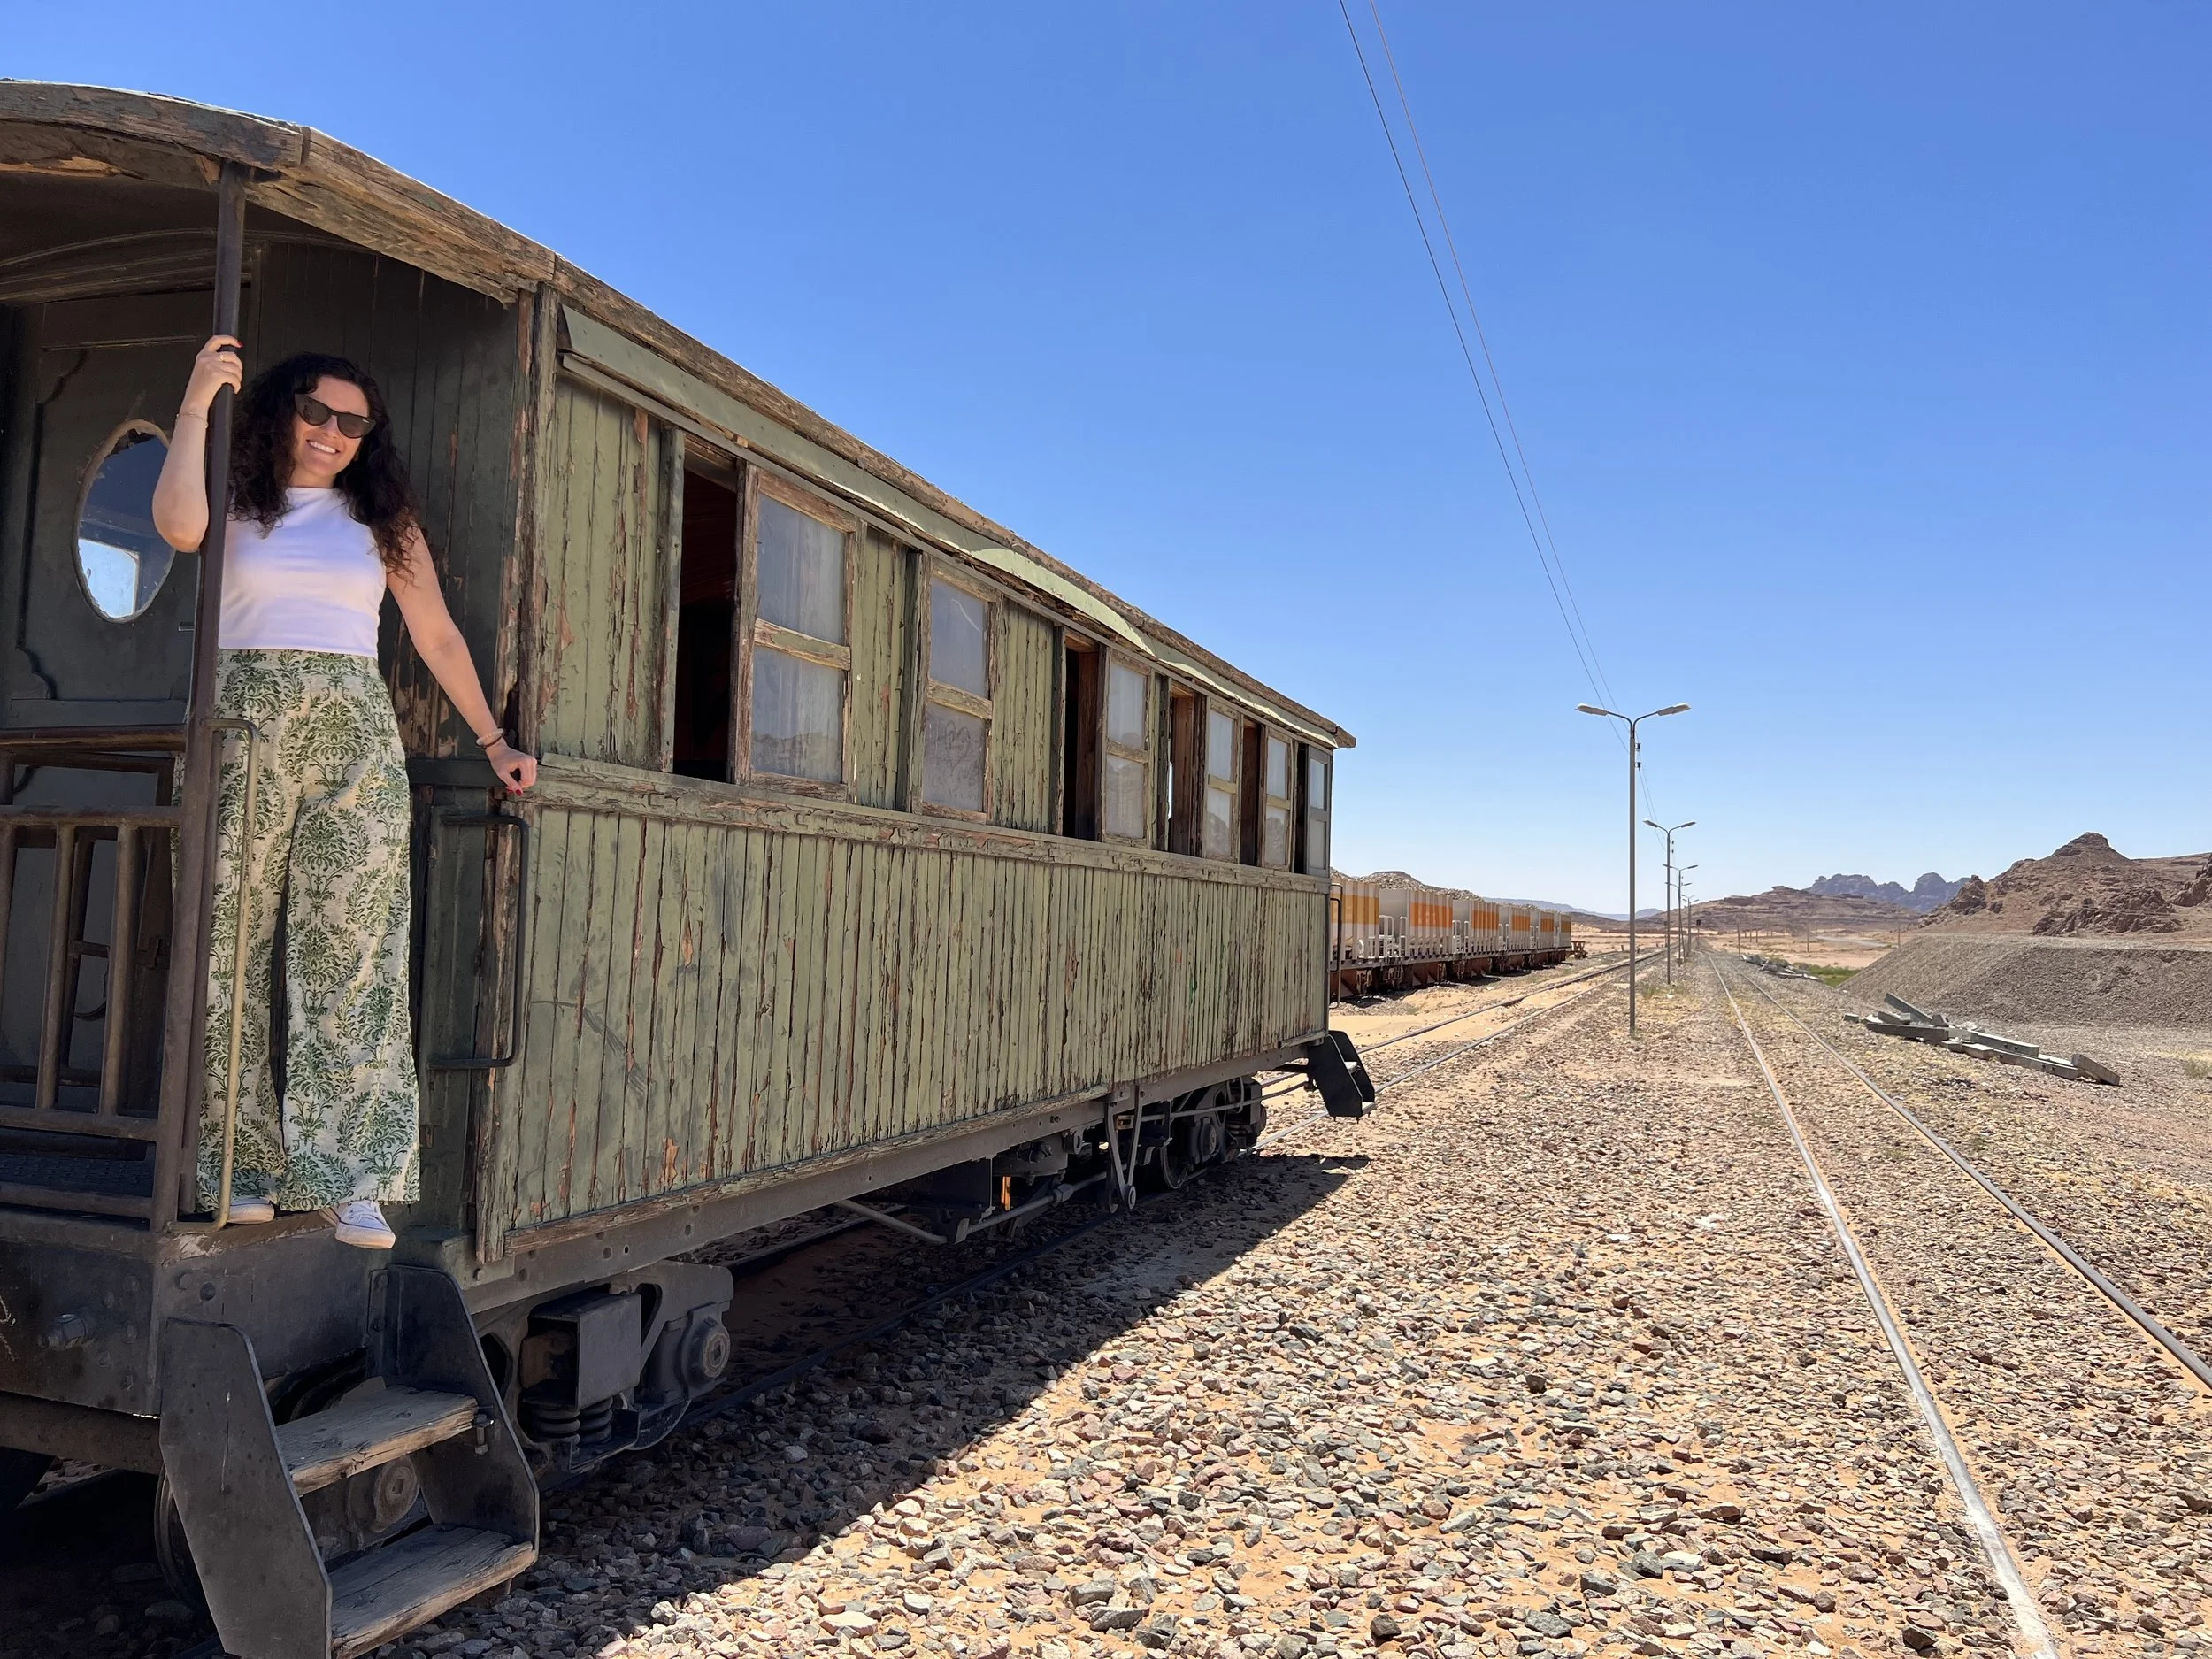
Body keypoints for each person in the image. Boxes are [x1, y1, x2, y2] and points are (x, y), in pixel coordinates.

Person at [152, 335, 535, 1248]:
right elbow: (176, 528)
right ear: (283, 410)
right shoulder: (232, 494)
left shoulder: (380, 520)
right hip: (239, 725)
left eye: (353, 423)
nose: (331, 432)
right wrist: (196, 402)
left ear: (369, 437)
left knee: (355, 945)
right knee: (223, 946)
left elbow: (435, 634)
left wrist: (492, 740)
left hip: (354, 735)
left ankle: (348, 1174)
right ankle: (234, 1167)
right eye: (316, 411)